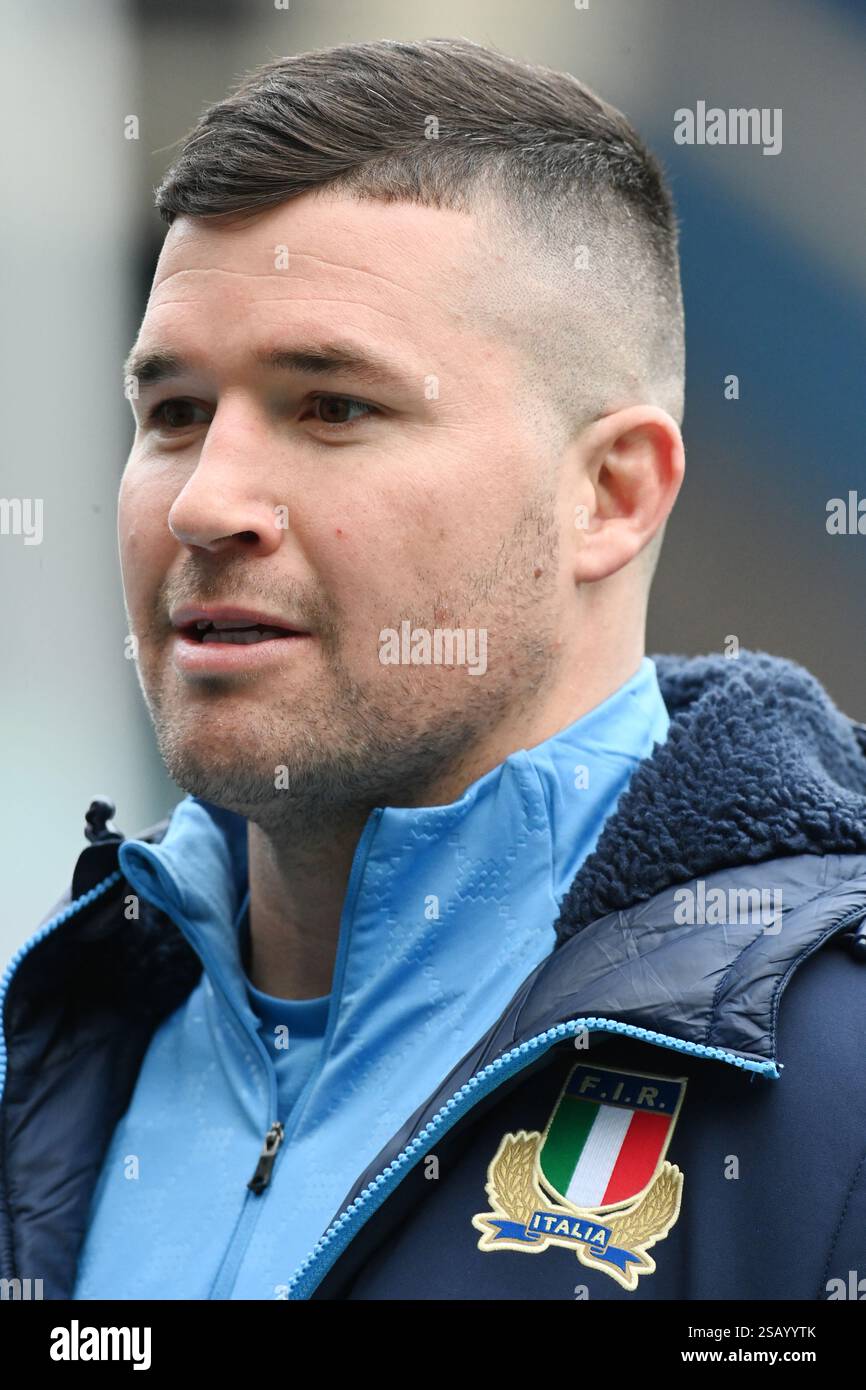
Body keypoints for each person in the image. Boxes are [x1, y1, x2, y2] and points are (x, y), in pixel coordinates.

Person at [3, 37, 865, 1302]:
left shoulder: (827, 1080)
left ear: (609, 493)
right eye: (175, 412)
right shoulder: (50, 1053)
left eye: (331, 407)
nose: (204, 503)